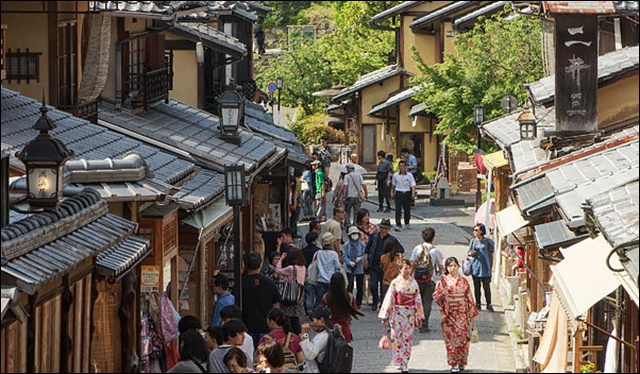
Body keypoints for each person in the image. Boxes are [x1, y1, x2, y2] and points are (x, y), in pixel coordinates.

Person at [378, 258, 424, 374]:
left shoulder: (414, 283)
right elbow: (389, 299)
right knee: (396, 338)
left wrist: (419, 316)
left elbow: (417, 300)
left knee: (407, 339)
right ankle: (398, 360)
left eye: (409, 268)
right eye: (404, 268)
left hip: (409, 313)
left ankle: (405, 362)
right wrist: (385, 315)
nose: (407, 271)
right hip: (397, 313)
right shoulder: (395, 282)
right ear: (399, 269)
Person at [433, 257, 479, 373]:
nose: (452, 268)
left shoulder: (463, 281)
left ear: (458, 266)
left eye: (454, 265)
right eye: (449, 266)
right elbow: (436, 296)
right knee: (451, 340)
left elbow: (469, 298)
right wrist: (442, 295)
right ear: (446, 268)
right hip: (449, 315)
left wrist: (471, 316)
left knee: (463, 339)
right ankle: (453, 363)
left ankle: (462, 361)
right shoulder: (443, 281)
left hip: (462, 314)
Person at [243, 253, 283, 349]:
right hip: (265, 324)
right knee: (264, 354)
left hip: (246, 324)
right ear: (260, 265)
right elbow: (276, 302)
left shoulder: (241, 282)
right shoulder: (269, 282)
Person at [364, 218, 404, 311]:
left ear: (389, 229)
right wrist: (366, 259)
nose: (383, 230)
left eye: (386, 228)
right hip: (374, 265)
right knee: (373, 285)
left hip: (385, 268)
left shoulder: (392, 239)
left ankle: (382, 303)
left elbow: (401, 249)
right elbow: (367, 249)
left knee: (384, 287)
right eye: (382, 228)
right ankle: (375, 300)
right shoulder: (374, 237)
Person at [409, 226, 441, 333]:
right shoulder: (435, 251)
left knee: (418, 301)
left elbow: (412, 263)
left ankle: (417, 321)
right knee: (427, 302)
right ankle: (424, 324)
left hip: (417, 279)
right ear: (433, 238)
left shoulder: (417, 249)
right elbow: (441, 267)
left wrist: (409, 277)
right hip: (430, 279)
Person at [320, 272, 364, 343]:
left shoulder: (327, 297)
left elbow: (321, 311)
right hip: (345, 328)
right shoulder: (349, 297)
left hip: (330, 329)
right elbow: (354, 309)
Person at [276, 249, 307, 334]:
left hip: (290, 294)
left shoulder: (291, 268)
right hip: (299, 295)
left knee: (287, 318)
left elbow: (278, 270)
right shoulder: (303, 268)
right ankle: (297, 335)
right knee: (295, 318)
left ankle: (287, 334)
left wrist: (281, 259)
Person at [468, 223, 495, 312]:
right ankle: (478, 304)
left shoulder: (487, 241)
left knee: (486, 287)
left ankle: (489, 304)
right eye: (474, 230)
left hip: (485, 268)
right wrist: (471, 253)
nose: (474, 232)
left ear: (481, 231)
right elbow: (468, 253)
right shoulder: (473, 241)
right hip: (475, 268)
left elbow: (494, 249)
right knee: (477, 287)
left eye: (476, 230)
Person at [299, 305, 333, 373]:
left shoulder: (321, 337)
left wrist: (305, 335)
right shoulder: (333, 332)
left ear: (321, 320)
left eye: (312, 320)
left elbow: (310, 355)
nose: (311, 324)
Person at [314, 233, 342, 308]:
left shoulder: (318, 253)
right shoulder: (334, 254)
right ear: (331, 243)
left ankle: (317, 315)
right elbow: (337, 266)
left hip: (320, 279)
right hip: (331, 280)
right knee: (332, 300)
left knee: (319, 300)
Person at [342, 226, 365, 308]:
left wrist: (360, 258)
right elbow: (344, 255)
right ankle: (349, 301)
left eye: (356, 234)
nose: (355, 235)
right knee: (349, 285)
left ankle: (358, 303)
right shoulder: (346, 245)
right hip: (349, 268)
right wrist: (349, 262)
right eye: (353, 234)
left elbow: (364, 254)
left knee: (360, 286)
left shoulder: (362, 245)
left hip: (359, 268)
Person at [391, 160, 416, 232]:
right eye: (400, 166)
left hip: (407, 193)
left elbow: (413, 185)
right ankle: (398, 224)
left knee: (407, 209)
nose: (402, 168)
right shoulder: (395, 175)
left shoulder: (409, 175)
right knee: (398, 209)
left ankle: (407, 221)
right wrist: (393, 193)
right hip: (399, 193)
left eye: (403, 166)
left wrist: (413, 194)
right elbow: (394, 185)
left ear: (405, 167)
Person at [343, 164, 368, 228]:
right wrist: (366, 194)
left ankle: (348, 224)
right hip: (357, 196)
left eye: (347, 169)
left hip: (350, 196)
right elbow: (364, 185)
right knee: (357, 211)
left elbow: (345, 187)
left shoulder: (347, 176)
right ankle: (355, 224)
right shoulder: (359, 175)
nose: (347, 170)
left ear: (349, 169)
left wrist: (343, 196)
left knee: (347, 210)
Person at [380, 237, 403, 305]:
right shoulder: (400, 258)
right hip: (398, 283)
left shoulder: (383, 257)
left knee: (386, 304)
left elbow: (382, 267)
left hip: (386, 282)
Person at [302, 232, 320, 314]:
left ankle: (308, 309)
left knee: (308, 294)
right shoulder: (318, 251)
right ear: (314, 241)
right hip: (316, 274)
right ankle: (315, 310)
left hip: (306, 274)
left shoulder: (303, 250)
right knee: (317, 293)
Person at [289, 170, 303, 239]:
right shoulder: (297, 182)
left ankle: (294, 232)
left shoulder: (296, 181)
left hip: (296, 203)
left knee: (294, 219)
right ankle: (294, 232)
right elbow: (296, 194)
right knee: (294, 219)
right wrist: (295, 204)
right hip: (297, 203)